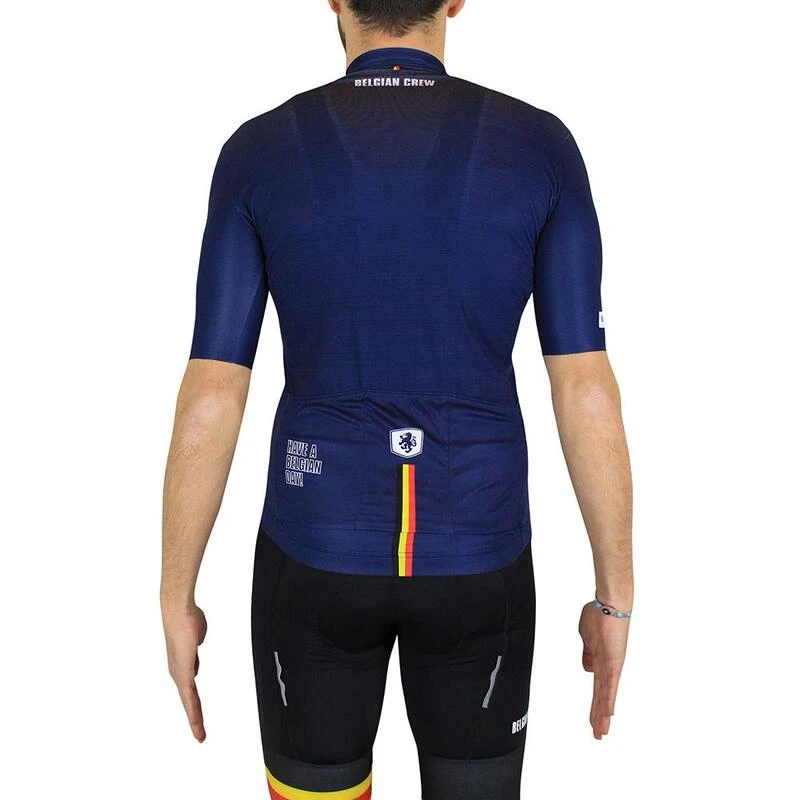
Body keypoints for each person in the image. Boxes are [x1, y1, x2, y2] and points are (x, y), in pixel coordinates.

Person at [160, 1, 634, 797]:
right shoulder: (539, 146)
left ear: (334, 0)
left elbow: (213, 390)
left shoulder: (259, 150)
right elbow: (585, 385)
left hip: (313, 552)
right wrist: (614, 600)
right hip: (478, 554)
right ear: (455, 0)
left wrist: (176, 595)